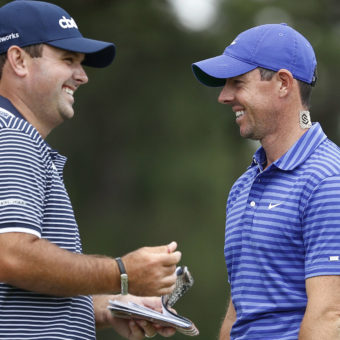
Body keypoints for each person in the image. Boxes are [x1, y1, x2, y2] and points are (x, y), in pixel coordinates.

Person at [0, 1, 182, 339]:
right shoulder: (11, 135)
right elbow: (11, 256)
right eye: (68, 60)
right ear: (18, 60)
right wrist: (122, 272)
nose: (82, 76)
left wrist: (110, 305)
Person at [192, 23, 340, 340]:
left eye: (237, 82)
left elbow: (329, 317)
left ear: (283, 84)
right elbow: (239, 311)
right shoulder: (243, 187)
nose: (224, 96)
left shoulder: (329, 180)